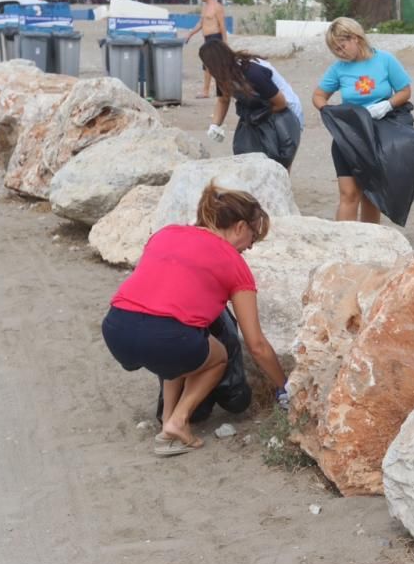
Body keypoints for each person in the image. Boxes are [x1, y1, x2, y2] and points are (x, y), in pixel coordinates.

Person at [101, 185, 288, 456]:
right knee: (216, 355)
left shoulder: (165, 234)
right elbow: (256, 344)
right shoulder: (233, 263)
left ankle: (168, 425)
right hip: (167, 336)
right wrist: (285, 387)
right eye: (254, 236)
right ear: (238, 227)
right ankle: (179, 419)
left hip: (117, 328)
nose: (250, 246)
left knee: (177, 343)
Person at [312, 17, 412, 223]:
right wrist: (330, 111)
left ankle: (370, 243)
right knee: (348, 194)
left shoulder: (385, 60)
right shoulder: (338, 68)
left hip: (379, 133)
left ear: (356, 38)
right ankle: (344, 244)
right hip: (350, 134)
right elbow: (318, 96)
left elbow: (405, 91)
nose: (340, 52)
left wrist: (387, 105)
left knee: (371, 195)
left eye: (343, 46)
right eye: (335, 49)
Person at [199, 41, 303, 170]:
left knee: (280, 156)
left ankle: (281, 186)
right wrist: (215, 125)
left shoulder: (252, 73)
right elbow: (223, 100)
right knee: (249, 153)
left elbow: (281, 103)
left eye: (206, 65)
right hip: (259, 109)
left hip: (285, 111)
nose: (206, 69)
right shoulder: (223, 76)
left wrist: (258, 117)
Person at [185, 0, 228, 100]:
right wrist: (190, 33)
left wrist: (225, 42)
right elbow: (201, 23)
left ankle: (222, 90)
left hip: (216, 38)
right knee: (207, 66)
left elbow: (222, 26)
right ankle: (206, 91)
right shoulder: (205, 8)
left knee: (217, 66)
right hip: (207, 39)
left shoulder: (217, 7)